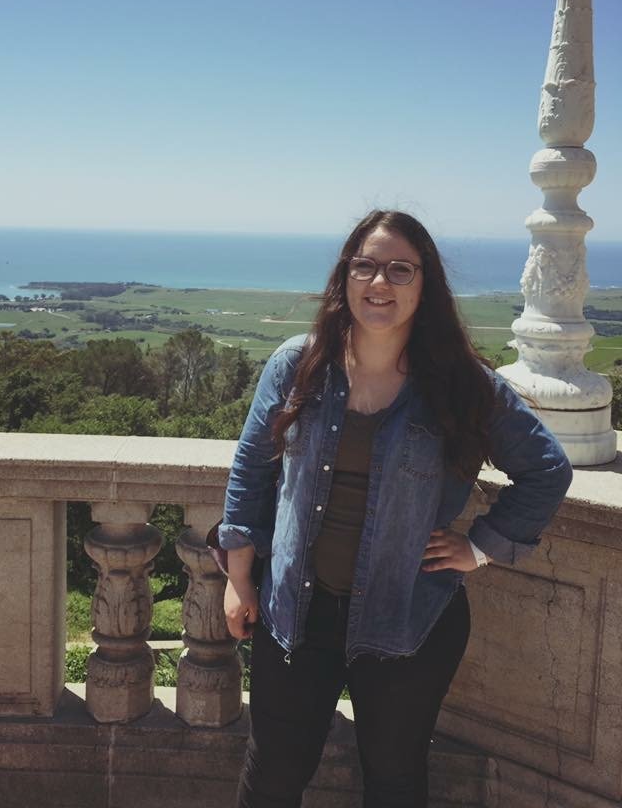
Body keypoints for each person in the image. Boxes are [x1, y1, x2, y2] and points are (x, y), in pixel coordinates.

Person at [218, 209, 573, 808]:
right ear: (346, 276)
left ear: (424, 284)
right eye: (365, 266)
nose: (379, 282)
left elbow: (547, 470)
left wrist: (480, 547)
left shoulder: (461, 384)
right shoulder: (297, 365)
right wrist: (238, 578)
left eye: (400, 269)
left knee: (395, 779)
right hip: (294, 613)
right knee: (273, 773)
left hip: (408, 619)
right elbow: (251, 475)